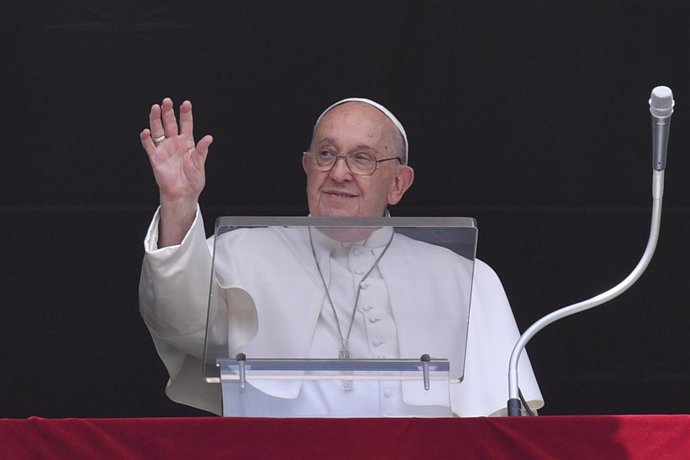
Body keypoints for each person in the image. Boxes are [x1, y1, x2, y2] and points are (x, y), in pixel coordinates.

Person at [139, 97, 543, 416]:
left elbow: (503, 418)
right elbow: (177, 322)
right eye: (327, 154)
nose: (339, 173)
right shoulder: (239, 253)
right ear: (307, 166)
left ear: (398, 184)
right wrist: (178, 203)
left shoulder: (465, 278)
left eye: (363, 158)